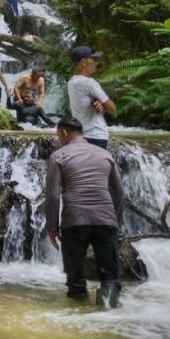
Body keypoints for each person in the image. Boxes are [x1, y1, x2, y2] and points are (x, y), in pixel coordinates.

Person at [45, 116, 124, 306]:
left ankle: (79, 317)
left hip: (75, 220)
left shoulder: (59, 156)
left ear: (64, 133)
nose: (59, 139)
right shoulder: (104, 154)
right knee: (110, 277)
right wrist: (116, 223)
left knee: (75, 279)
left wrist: (52, 227)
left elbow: (53, 196)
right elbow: (120, 193)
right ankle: (107, 315)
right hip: (106, 219)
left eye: (58, 135)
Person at [66, 46, 116, 149]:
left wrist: (100, 105)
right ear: (83, 62)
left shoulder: (71, 82)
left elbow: (87, 105)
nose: (96, 63)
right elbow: (112, 109)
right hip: (96, 136)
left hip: (81, 136)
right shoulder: (89, 83)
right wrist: (104, 106)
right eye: (93, 59)